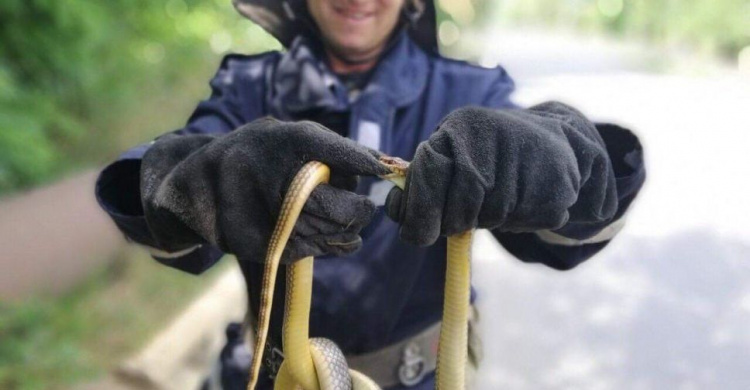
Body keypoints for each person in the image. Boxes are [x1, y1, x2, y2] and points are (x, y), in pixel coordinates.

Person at [95, 0, 646, 389]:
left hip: (421, 378)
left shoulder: (471, 92)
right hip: (269, 376)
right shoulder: (246, 88)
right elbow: (155, 192)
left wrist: (564, 153)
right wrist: (207, 177)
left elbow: (566, 237)